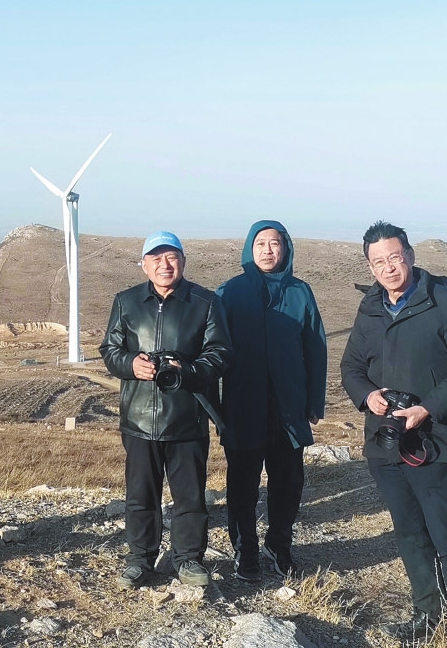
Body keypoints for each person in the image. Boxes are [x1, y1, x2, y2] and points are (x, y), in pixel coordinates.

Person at [341, 221, 447, 641]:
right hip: (385, 442)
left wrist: (426, 408)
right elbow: (351, 367)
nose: (388, 268)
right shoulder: (370, 307)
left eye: (394, 257)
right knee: (408, 532)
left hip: (433, 442)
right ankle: (428, 615)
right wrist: (367, 396)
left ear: (410, 255)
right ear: (370, 267)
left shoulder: (446, 300)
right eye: (378, 262)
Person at [99, 231, 233, 589]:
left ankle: (188, 559)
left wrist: (186, 370)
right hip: (139, 419)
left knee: (190, 496)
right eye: (156, 258)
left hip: (187, 417)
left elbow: (221, 353)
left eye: (171, 257)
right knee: (140, 495)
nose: (164, 264)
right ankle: (140, 559)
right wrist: (131, 364)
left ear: (183, 262)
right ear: (144, 265)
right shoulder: (126, 301)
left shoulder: (205, 302)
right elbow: (110, 349)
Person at [216, 220, 326, 581]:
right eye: (260, 243)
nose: (267, 250)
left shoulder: (300, 292)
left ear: (286, 248)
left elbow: (315, 348)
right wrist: (215, 408)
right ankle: (244, 549)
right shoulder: (229, 292)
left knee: (288, 482)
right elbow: (214, 350)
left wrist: (315, 401)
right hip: (242, 404)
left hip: (288, 406)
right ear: (249, 248)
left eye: (274, 243)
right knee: (242, 484)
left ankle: (279, 544)